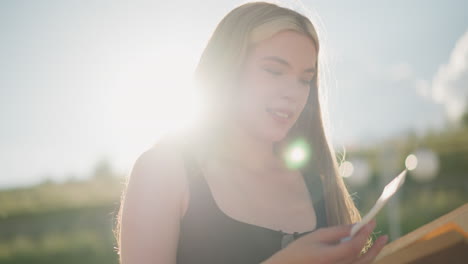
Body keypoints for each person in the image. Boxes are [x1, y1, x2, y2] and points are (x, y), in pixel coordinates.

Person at [115, 1, 389, 263]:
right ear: (226, 70)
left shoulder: (318, 184)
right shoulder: (161, 172)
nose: (293, 93)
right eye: (274, 71)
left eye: (305, 79)